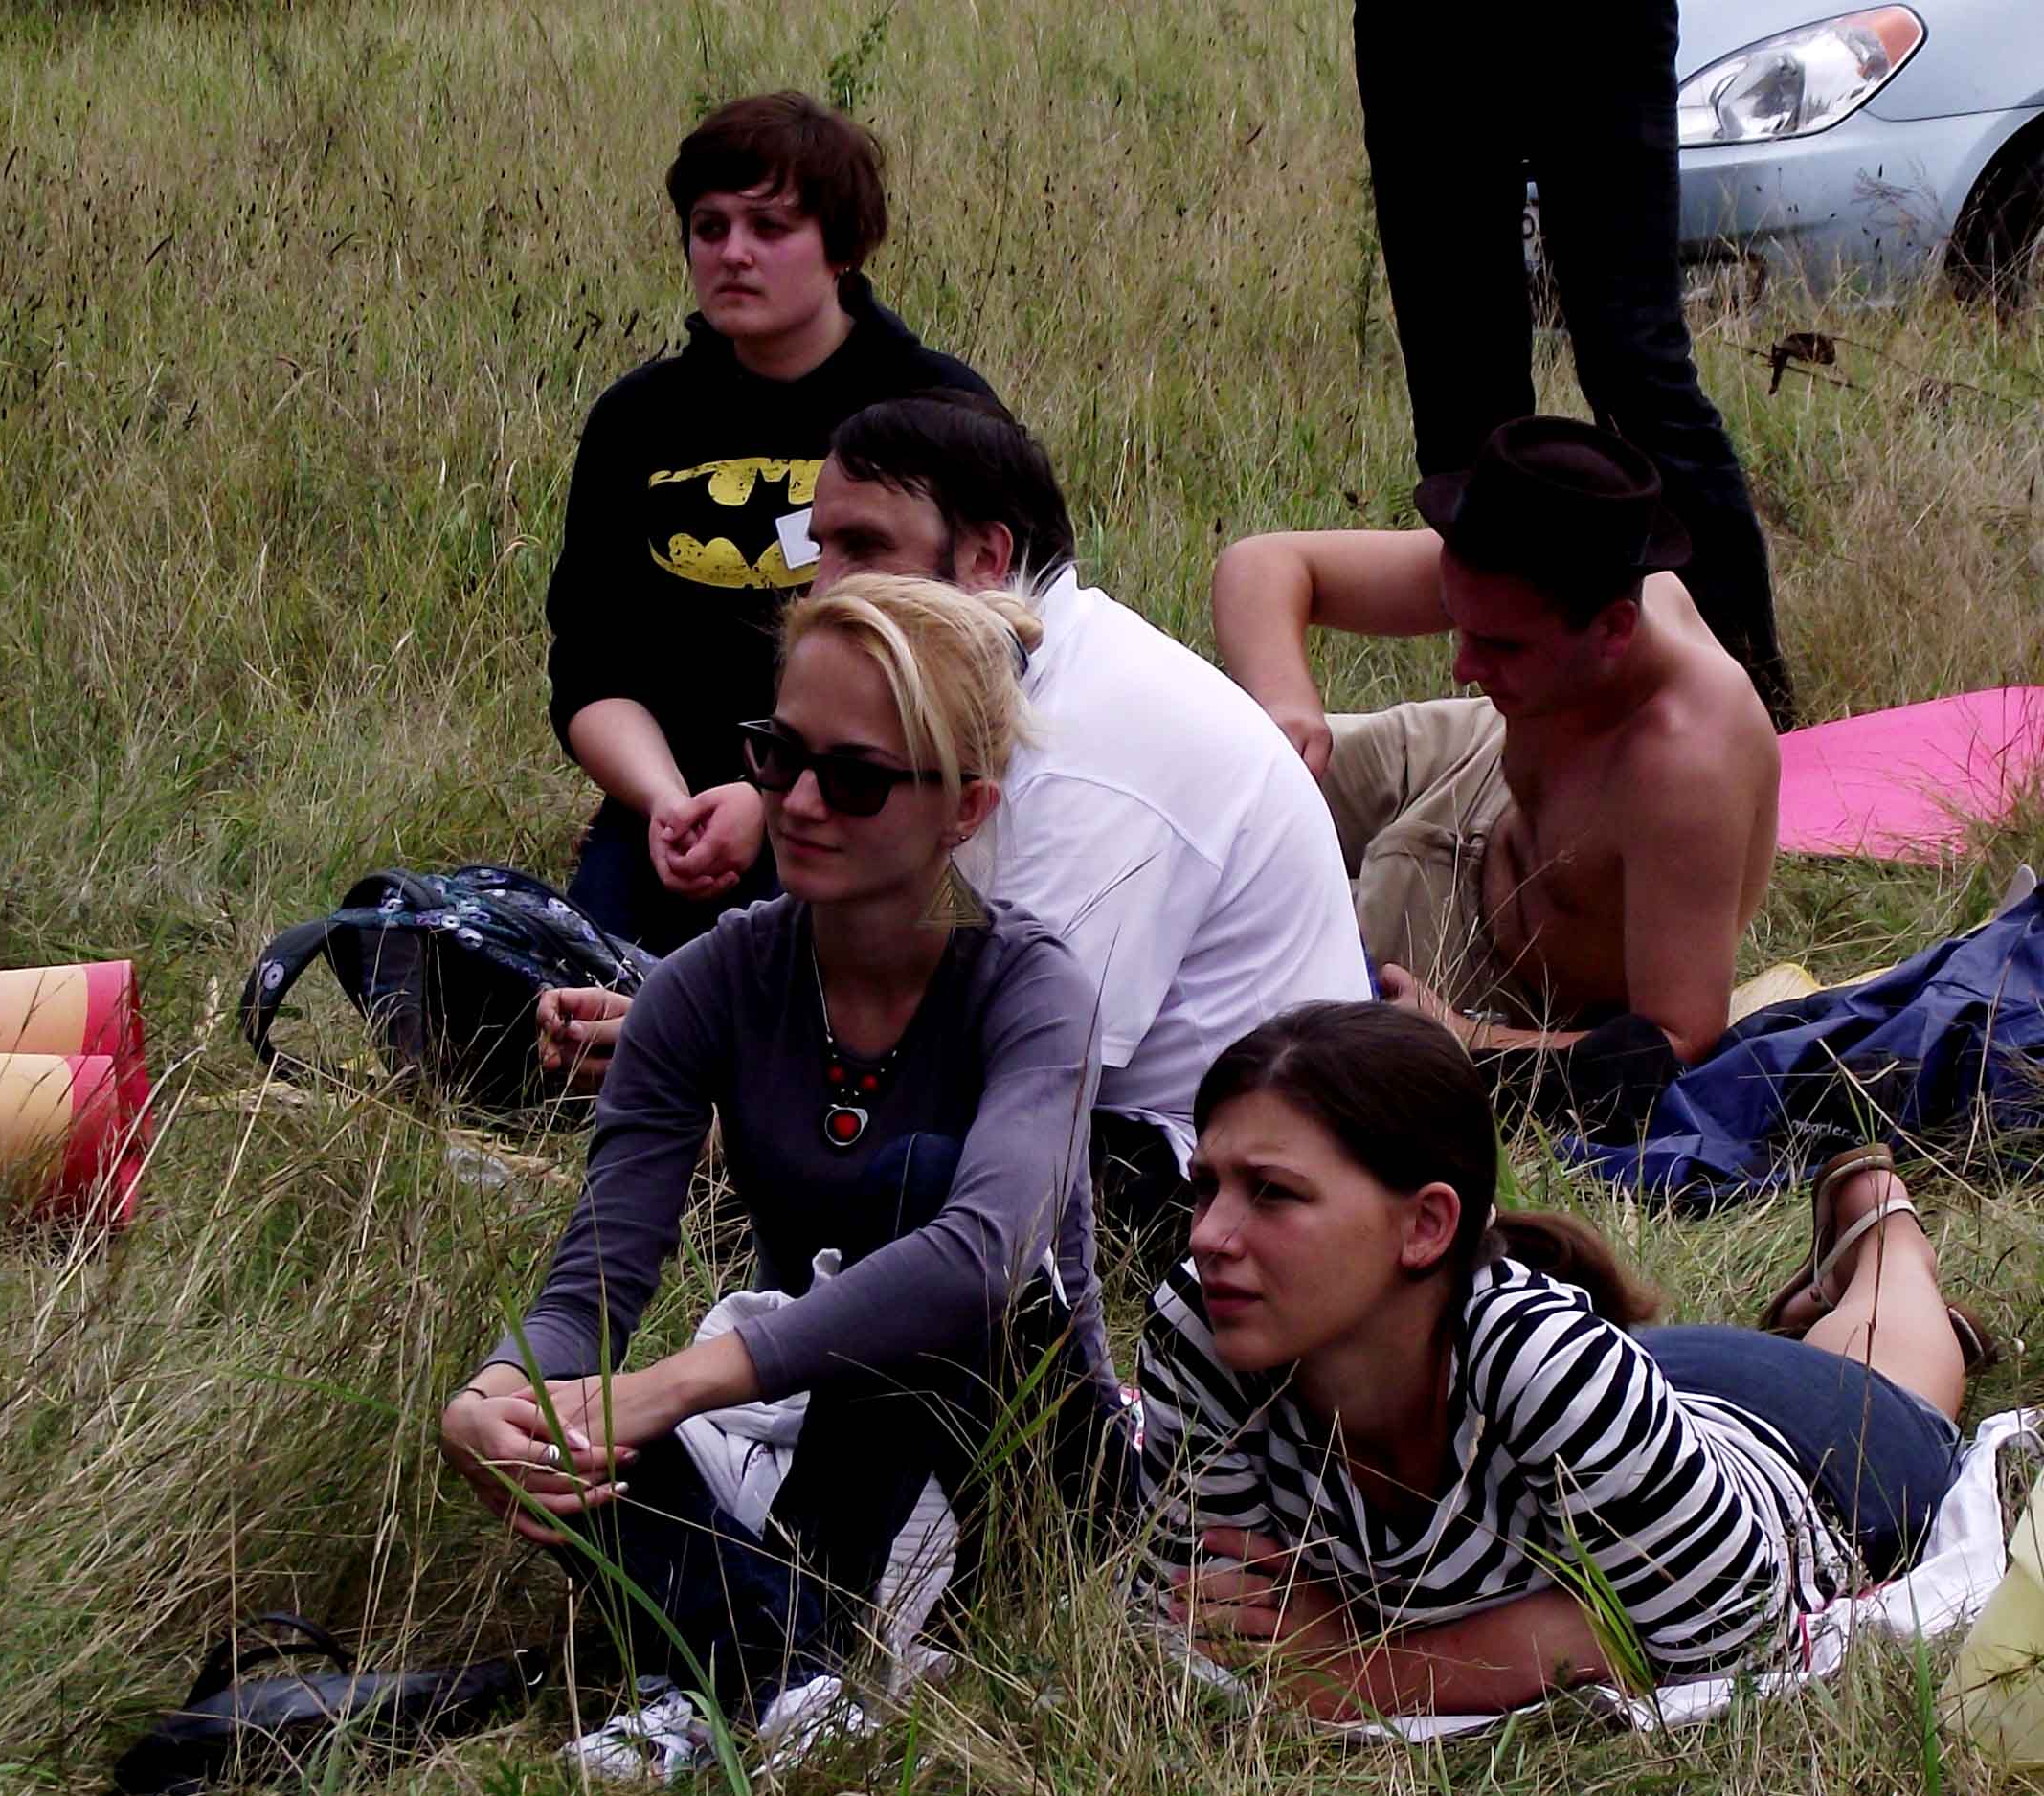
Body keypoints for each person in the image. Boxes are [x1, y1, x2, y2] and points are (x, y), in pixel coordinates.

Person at [444, 574, 1113, 1777]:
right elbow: (595, 1282)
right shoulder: (706, 985)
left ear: (965, 808)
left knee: (915, 1188)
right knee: (573, 1428)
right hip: (816, 1441)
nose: (799, 802)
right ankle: (790, 1675)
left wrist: (673, 1386)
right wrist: (496, 1398)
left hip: (1021, 1463)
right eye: (778, 755)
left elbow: (981, 1258)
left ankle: (741, 1664)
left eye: (855, 778)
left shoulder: (1032, 986)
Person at [540, 393, 1372, 1239]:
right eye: (819, 549)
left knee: (912, 1176)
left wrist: (701, 1088)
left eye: (865, 548)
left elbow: (1000, 1065)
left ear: (985, 557)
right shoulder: (1009, 684)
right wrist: (680, 1025)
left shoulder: (1089, 750)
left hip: (1209, 1180)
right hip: (1108, 1119)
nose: (824, 587)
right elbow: (893, 958)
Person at [1137, 1000, 1990, 1722]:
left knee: (1894, 1373)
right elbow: (1217, 1612)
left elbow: (1729, 1642)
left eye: (1273, 1193)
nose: (1209, 1236)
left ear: (1426, 1226)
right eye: (1206, 1186)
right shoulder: (1205, 1321)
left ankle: (1884, 1230)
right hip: (1641, 1400)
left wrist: (1370, 1670)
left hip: (1806, 1454)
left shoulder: (1546, 1365)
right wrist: (1551, 1632)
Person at [544, 92, 993, 954]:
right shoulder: (635, 422)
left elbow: (993, 659)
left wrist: (774, 799)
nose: (733, 254)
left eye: (770, 227)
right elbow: (590, 668)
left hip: (877, 809)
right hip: (673, 816)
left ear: (842, 246)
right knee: (585, 1008)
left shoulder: (937, 412)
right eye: (709, 228)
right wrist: (668, 802)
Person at [1212, 415, 1777, 1069]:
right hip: (1473, 764)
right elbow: (1263, 564)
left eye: (1501, 646)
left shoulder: (1687, 767)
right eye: (1459, 623)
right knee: (1225, 776)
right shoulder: (1540, 576)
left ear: (1614, 631)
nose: (1463, 667)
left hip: (1485, 962)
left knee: (1238, 972)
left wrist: (1465, 1035)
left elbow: (1681, 1039)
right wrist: (1286, 702)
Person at [1351, 2, 1794, 724]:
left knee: (1638, 372)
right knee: (1462, 404)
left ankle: (1752, 717)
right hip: (1425, 31)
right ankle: (1528, 715)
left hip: (1596, 22)